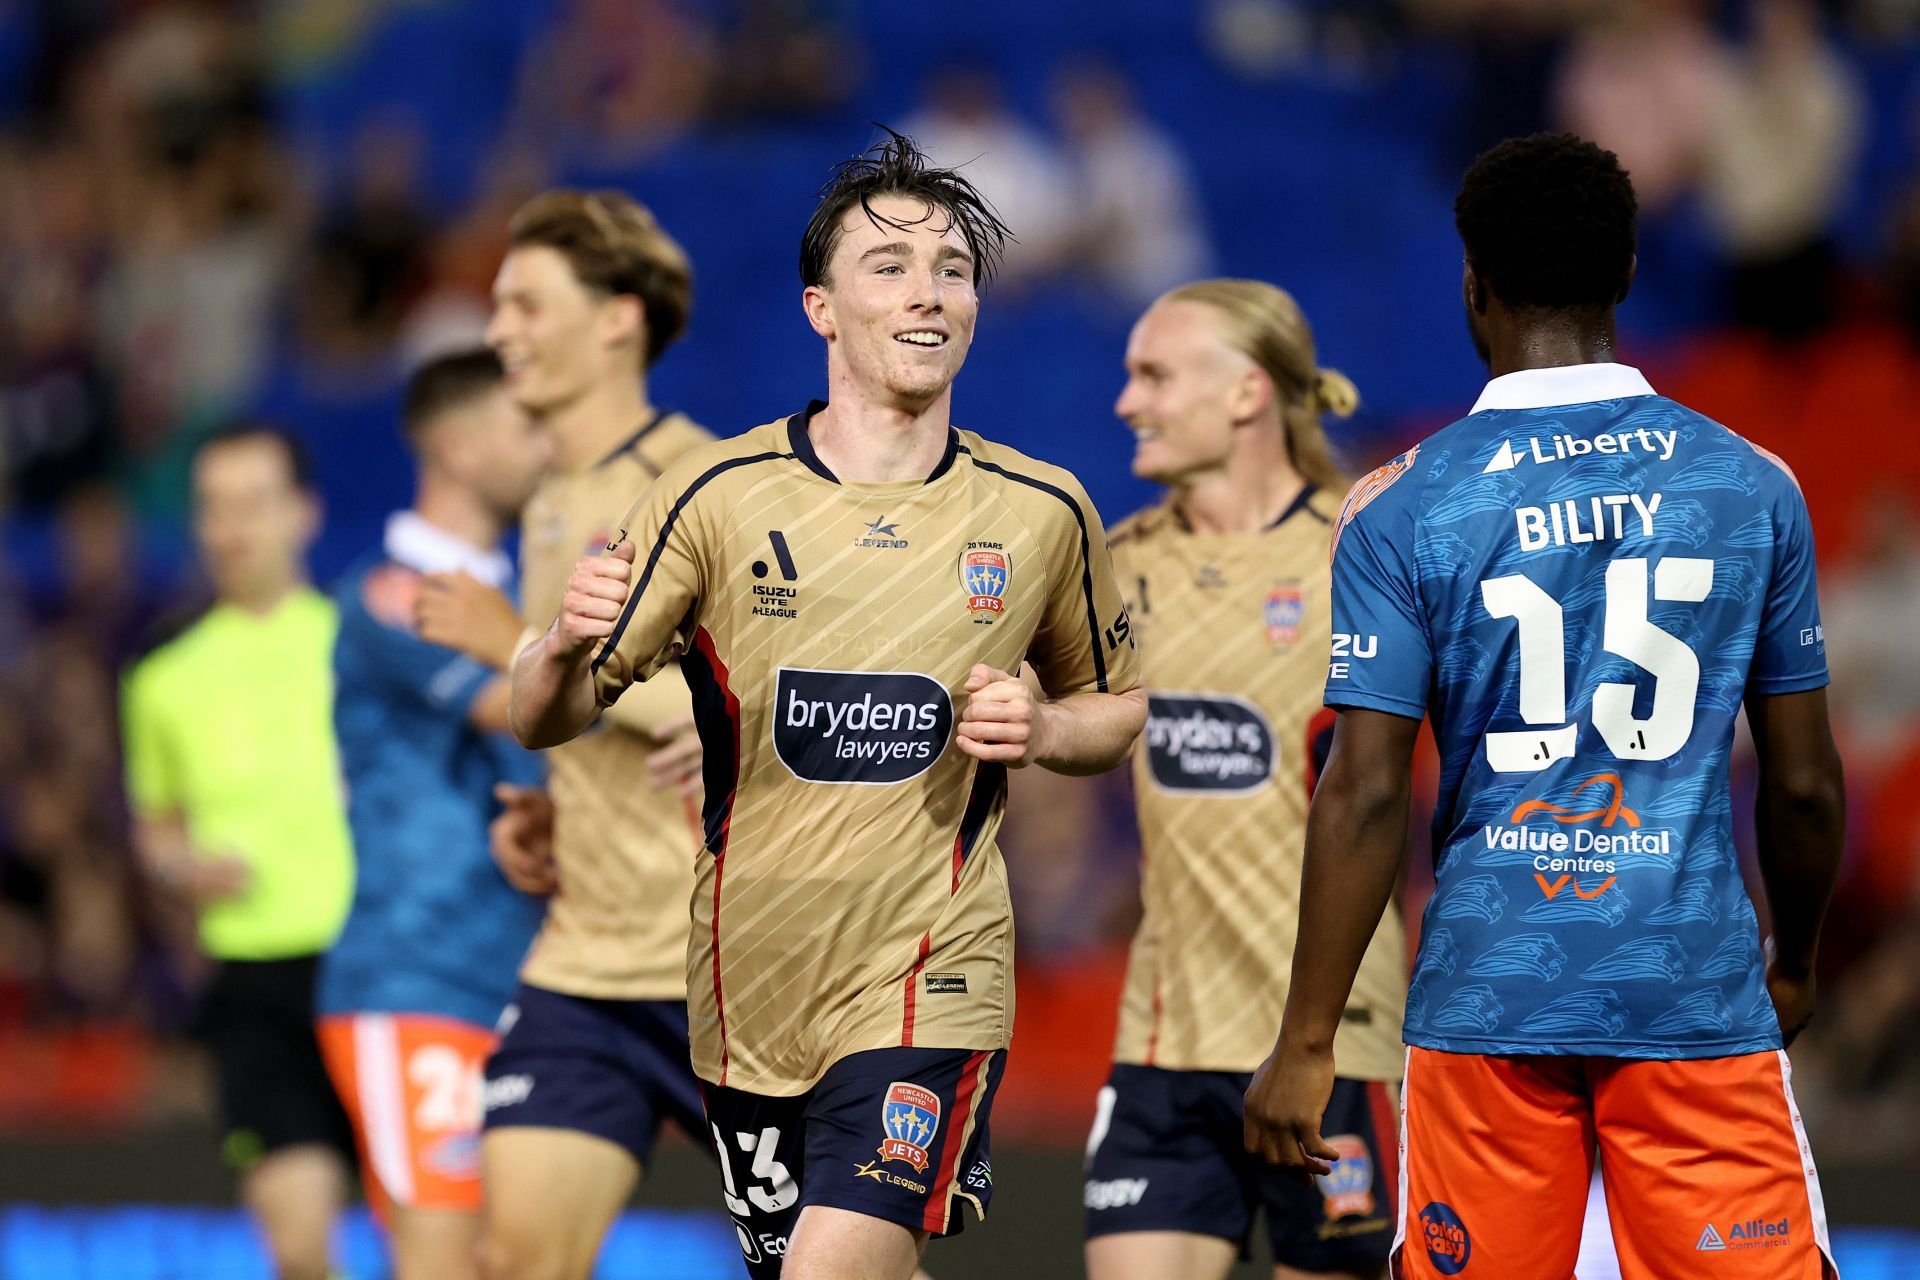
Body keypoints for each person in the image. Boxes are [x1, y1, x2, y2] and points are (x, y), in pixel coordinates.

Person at [509, 130, 1147, 1280]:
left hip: (930, 969)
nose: (930, 292)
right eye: (891, 267)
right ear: (821, 306)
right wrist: (559, 642)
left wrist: (1049, 729)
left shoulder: (1044, 508)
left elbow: (1119, 706)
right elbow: (545, 713)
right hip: (744, 983)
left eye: (953, 269)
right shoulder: (716, 496)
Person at [1243, 132, 1846, 1280]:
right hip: (1690, 987)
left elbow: (1364, 789)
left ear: (1471, 281)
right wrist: (1797, 959)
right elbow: (1807, 785)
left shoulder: (1400, 504)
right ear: (1627, 274)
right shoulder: (1752, 483)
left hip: (1486, 992)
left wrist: (1308, 1038)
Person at [407, 189, 714, 1280]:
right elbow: (605, 713)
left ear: (618, 318)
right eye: (496, 306)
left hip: (720, 964)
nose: (498, 332)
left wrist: (516, 645)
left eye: (527, 303)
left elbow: (750, 715)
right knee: (514, 1261)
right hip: (585, 959)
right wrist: (561, 799)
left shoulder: (703, 485)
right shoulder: (549, 500)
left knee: (831, 1265)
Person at [1086, 279, 1405, 1280]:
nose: (1125, 401)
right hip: (1164, 1035)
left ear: (1245, 393)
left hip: (1333, 1043)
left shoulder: (1361, 549)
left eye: (1154, 374)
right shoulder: (1115, 563)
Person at [315, 349, 550, 1279]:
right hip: (417, 977)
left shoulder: (526, 603)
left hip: (522, 990)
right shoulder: (394, 591)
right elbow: (522, 708)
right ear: (455, 446)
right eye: (523, 422)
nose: (547, 442)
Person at [120, 424, 356, 1280]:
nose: (231, 528)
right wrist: (178, 868)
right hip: (254, 987)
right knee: (298, 1253)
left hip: (379, 969)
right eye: (214, 507)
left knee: (438, 1248)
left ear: (305, 513)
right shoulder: (160, 679)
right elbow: (156, 829)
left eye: (253, 504)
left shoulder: (359, 647)